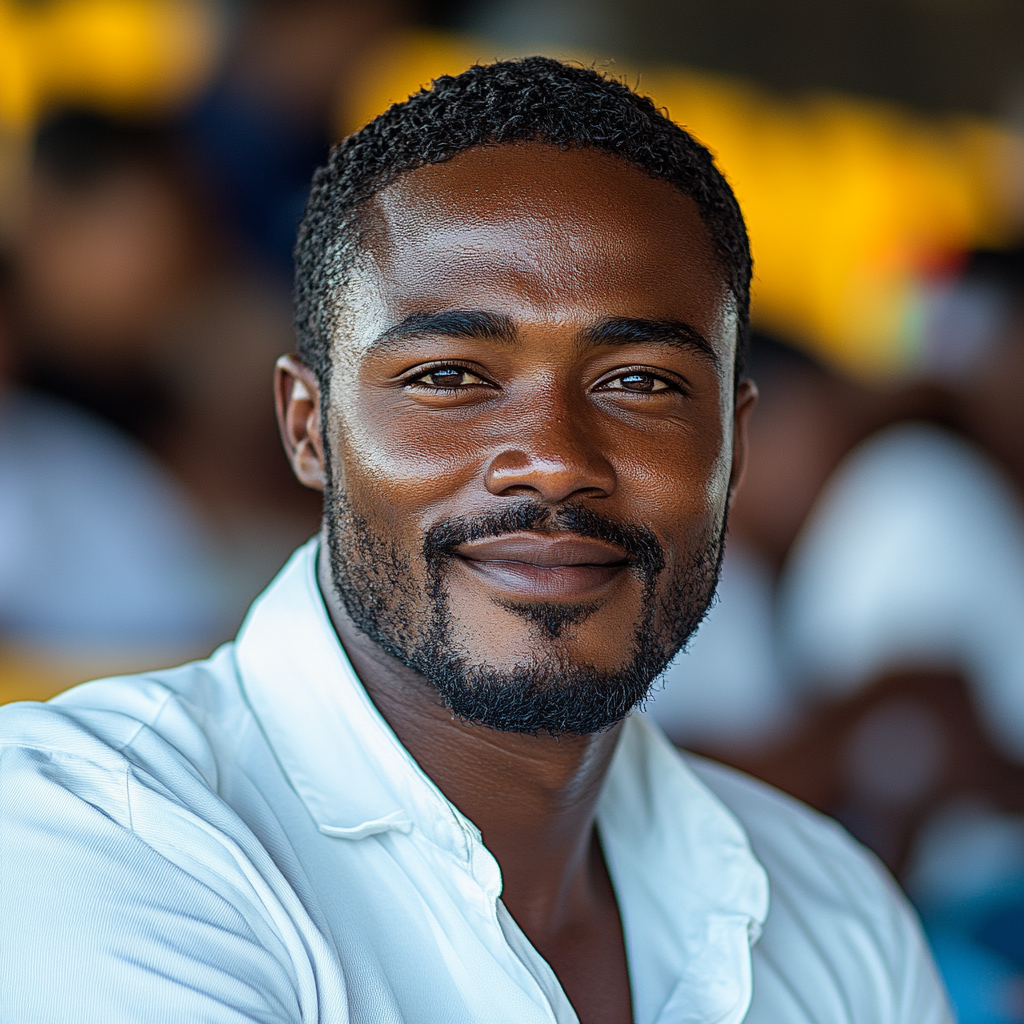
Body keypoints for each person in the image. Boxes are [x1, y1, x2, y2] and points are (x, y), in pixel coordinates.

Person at [0, 58, 950, 1023]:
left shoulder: (836, 917)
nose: (551, 459)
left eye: (640, 382)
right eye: (450, 376)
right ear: (308, 427)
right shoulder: (93, 839)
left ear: (734, 445)